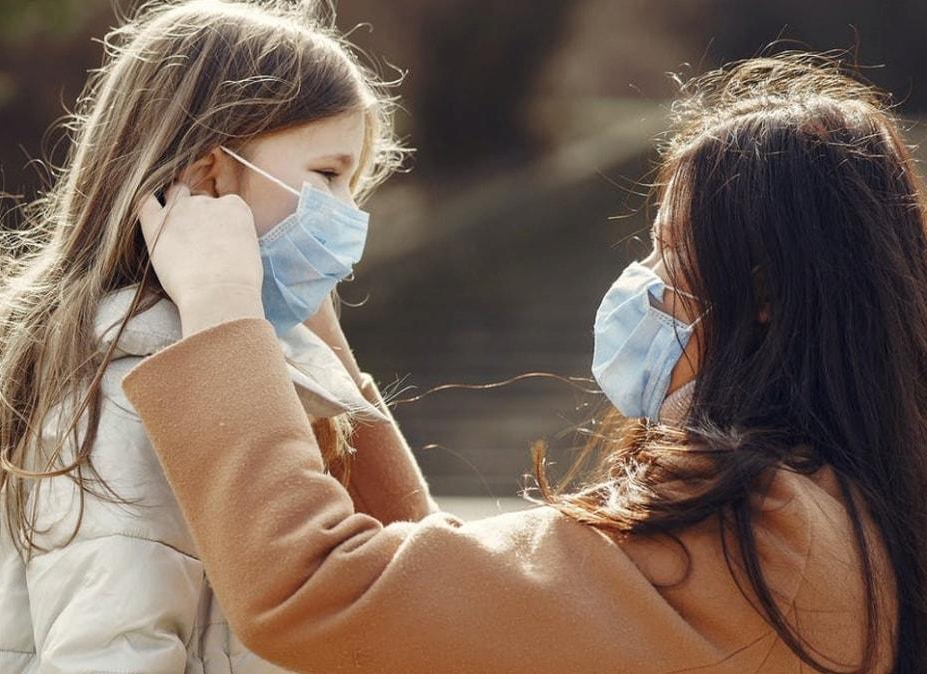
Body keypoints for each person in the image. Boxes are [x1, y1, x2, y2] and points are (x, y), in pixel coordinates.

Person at [123, 54, 927, 673]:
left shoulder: (755, 528)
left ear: (761, 298)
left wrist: (224, 312)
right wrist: (322, 344)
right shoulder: (840, 515)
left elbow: (318, 591)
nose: (642, 285)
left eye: (670, 254)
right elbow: (449, 609)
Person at [0, 2, 435, 672]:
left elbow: (404, 598)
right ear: (208, 176)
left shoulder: (219, 376)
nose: (347, 216)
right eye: (328, 176)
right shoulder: (134, 395)